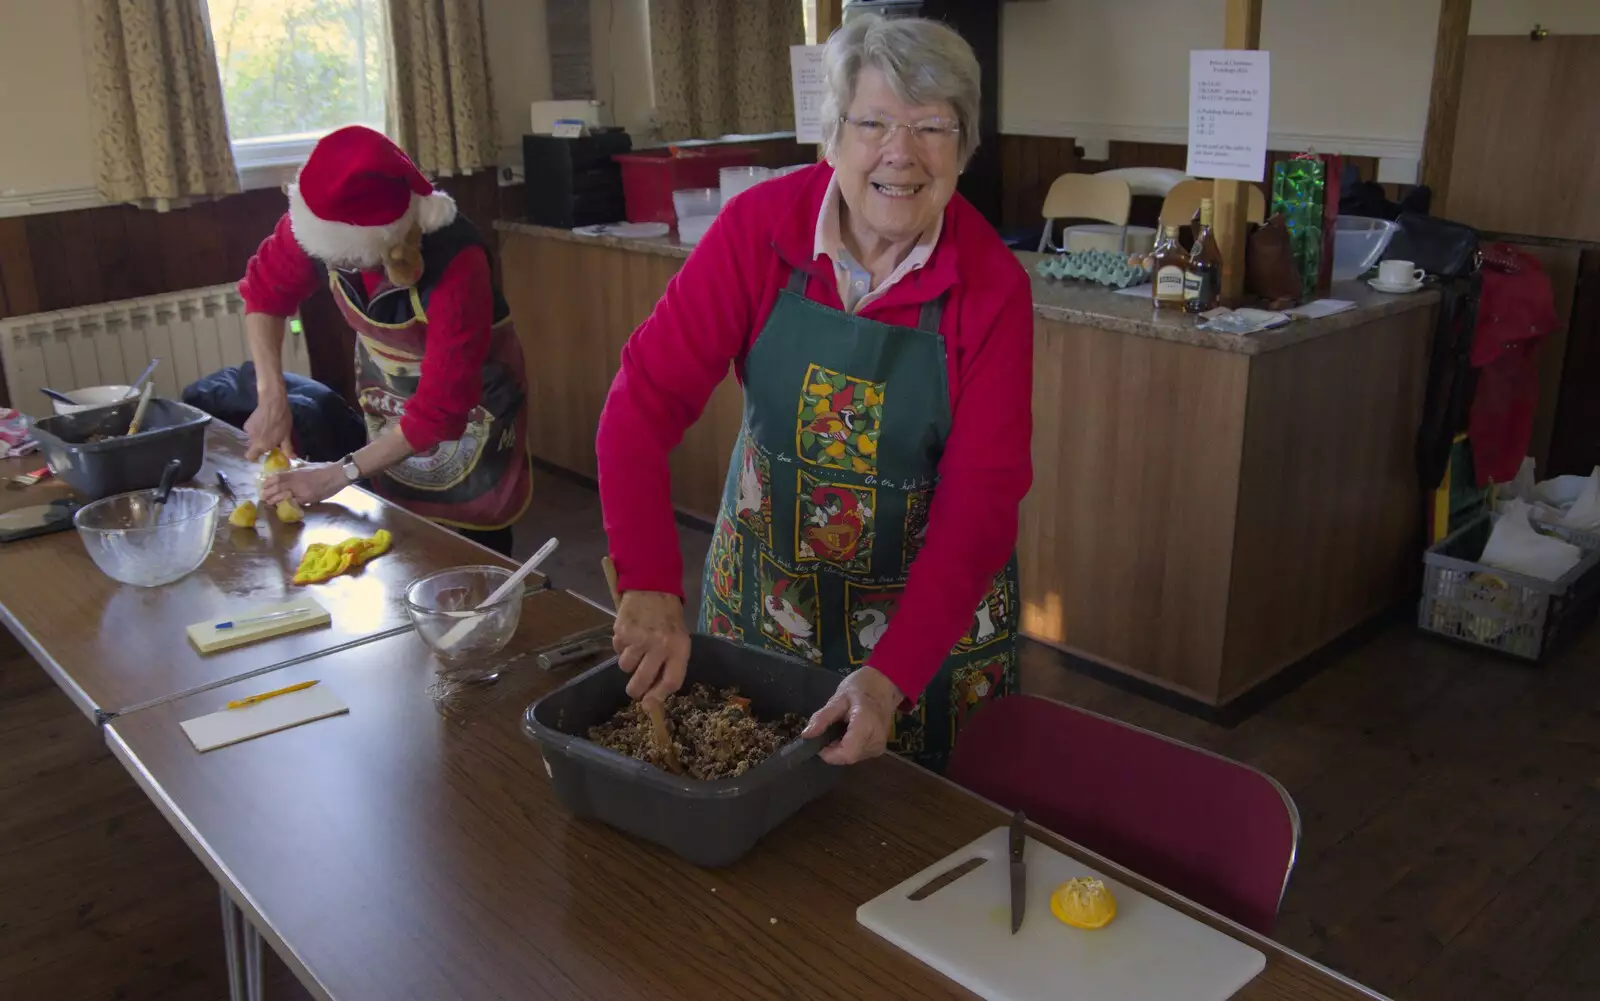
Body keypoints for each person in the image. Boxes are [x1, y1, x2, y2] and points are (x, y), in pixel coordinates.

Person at [595, 14, 1034, 774]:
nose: (901, 153)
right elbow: (638, 405)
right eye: (874, 123)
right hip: (770, 598)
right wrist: (648, 580)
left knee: (909, 844)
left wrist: (892, 675)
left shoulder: (992, 288)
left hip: (925, 628)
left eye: (933, 127)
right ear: (831, 135)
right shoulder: (757, 232)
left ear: (963, 150)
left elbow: (981, 509)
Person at [237, 125, 531, 556]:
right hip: (387, 391)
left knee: (470, 548)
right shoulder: (318, 222)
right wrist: (271, 395)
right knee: (394, 532)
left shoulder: (458, 263)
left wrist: (334, 476)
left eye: (342, 259)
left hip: (472, 406)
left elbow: (439, 413)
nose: (328, 264)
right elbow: (265, 293)